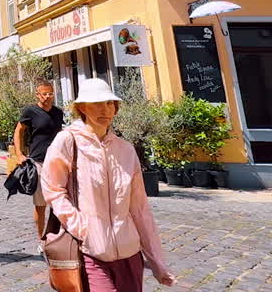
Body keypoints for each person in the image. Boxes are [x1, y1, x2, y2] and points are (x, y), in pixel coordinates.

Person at [41, 79, 175, 291]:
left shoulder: (126, 149)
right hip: (92, 253)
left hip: (130, 255)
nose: (105, 110)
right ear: (82, 108)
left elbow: (139, 209)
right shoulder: (67, 141)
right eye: (97, 103)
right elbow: (53, 190)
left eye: (109, 104)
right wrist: (82, 227)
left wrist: (157, 261)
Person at [14, 78, 64, 252]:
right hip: (39, 162)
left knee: (58, 202)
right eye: (45, 94)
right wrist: (19, 154)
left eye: (51, 93)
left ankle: (55, 235)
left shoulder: (58, 113)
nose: (48, 97)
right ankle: (41, 238)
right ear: (38, 94)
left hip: (57, 162)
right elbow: (19, 131)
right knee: (40, 204)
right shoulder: (31, 112)